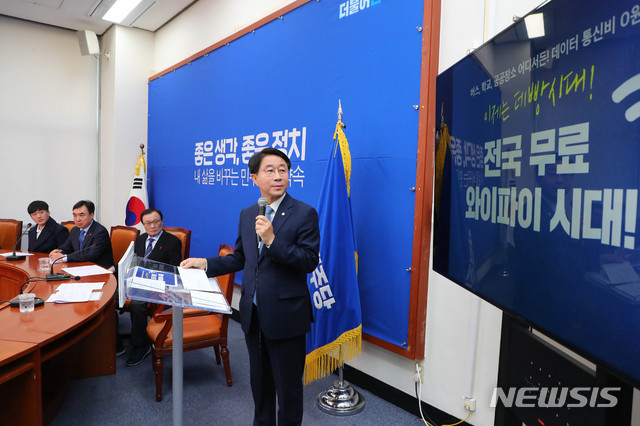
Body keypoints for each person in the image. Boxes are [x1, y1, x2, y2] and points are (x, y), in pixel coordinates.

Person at [181, 148, 320, 425]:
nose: (278, 176)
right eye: (270, 170)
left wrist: (272, 240)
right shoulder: (248, 214)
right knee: (260, 385)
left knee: (288, 391)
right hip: (253, 315)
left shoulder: (304, 213)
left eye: (283, 170)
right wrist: (205, 263)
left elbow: (308, 261)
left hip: (286, 316)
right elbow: (240, 258)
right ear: (254, 177)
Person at [126, 207, 182, 366]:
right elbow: (135, 262)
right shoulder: (140, 239)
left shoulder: (172, 242)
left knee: (137, 304)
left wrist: (151, 276)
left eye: (156, 221)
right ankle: (116, 342)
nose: (153, 226)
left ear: (162, 221)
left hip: (158, 285)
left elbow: (174, 271)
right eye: (148, 223)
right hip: (138, 281)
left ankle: (141, 345)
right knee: (112, 297)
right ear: (143, 225)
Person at [49, 200, 114, 270]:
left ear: (91, 215)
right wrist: (57, 252)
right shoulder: (75, 230)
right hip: (80, 267)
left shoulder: (100, 232)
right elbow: (67, 247)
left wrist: (64, 258)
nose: (77, 219)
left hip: (99, 269)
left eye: (81, 215)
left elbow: (90, 254)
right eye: (75, 215)